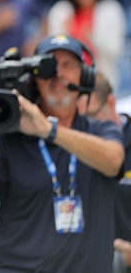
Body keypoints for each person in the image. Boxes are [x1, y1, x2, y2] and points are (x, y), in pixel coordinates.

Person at [0, 33, 125, 272]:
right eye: (48, 66)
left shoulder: (100, 129)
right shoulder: (9, 138)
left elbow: (113, 161)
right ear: (34, 81)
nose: (58, 74)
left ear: (85, 77)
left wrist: (48, 129)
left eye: (68, 65)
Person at [47, 0, 126, 90]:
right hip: (69, 84)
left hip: (103, 83)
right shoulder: (61, 11)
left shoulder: (110, 10)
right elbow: (53, 49)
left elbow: (115, 50)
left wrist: (90, 37)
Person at [79, 71, 131, 273]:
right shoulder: (67, 147)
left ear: (111, 103)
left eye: (90, 117)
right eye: (77, 120)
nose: (83, 128)